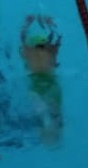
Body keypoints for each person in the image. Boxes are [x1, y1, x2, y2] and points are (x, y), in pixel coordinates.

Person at [20, 15, 63, 147]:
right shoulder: (49, 52)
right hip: (48, 84)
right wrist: (50, 25)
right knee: (48, 110)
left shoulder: (28, 52)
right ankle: (51, 128)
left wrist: (26, 25)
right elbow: (57, 39)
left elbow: (22, 39)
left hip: (39, 85)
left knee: (44, 110)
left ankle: (50, 128)